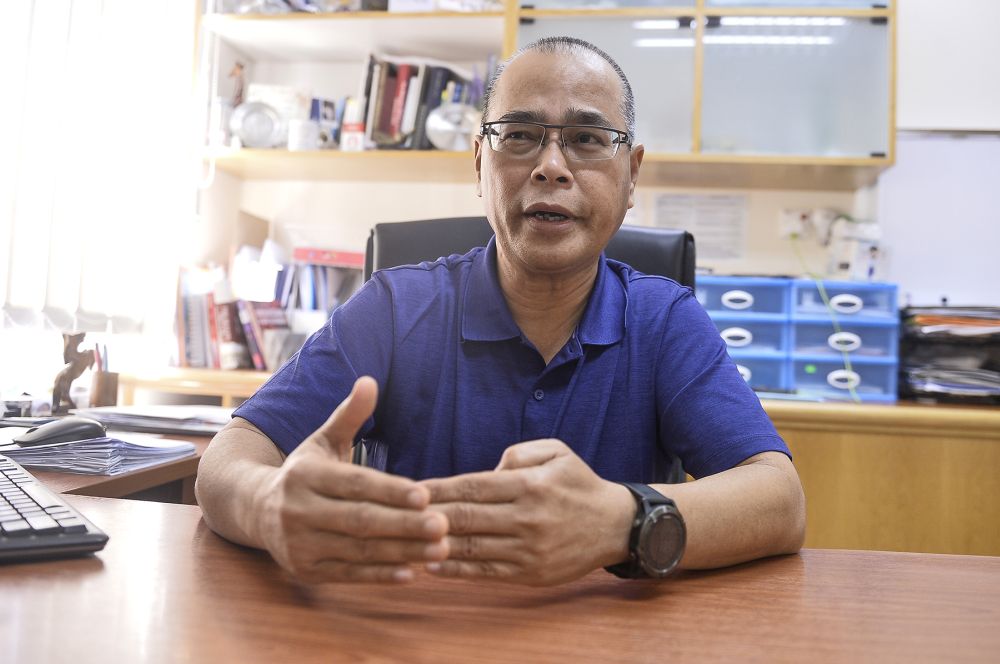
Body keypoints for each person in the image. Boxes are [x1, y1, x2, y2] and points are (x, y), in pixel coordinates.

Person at [196, 37, 805, 586]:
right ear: (480, 163)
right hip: (406, 633)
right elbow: (232, 454)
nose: (551, 166)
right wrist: (269, 504)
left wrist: (622, 520)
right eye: (519, 135)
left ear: (631, 174)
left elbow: (781, 500)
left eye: (588, 140)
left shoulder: (664, 320)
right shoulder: (394, 307)